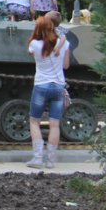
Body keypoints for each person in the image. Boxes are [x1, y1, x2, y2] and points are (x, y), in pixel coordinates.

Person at [26, 17, 70, 169]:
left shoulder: (34, 44)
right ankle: (50, 161)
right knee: (55, 125)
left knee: (34, 121)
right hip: (58, 86)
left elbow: (30, 53)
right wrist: (59, 47)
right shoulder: (63, 43)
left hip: (41, 86)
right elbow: (66, 65)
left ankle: (38, 159)